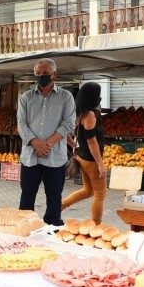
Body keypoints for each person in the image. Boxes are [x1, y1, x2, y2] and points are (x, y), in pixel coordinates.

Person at [17, 58, 75, 226]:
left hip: (54, 156)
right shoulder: (26, 97)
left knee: (54, 196)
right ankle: (25, 227)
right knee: (27, 194)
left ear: (54, 74)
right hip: (31, 156)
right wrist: (35, 143)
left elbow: (68, 124)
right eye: (38, 74)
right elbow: (21, 124)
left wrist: (47, 144)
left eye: (44, 73)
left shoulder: (66, 97)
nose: (41, 76)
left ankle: (52, 227)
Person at [62, 82, 106, 224]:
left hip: (81, 156)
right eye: (98, 94)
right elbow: (91, 142)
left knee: (88, 191)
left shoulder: (79, 113)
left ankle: (60, 206)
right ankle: (96, 225)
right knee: (99, 194)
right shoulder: (90, 115)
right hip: (91, 160)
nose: (99, 97)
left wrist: (74, 145)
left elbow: (64, 133)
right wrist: (101, 164)